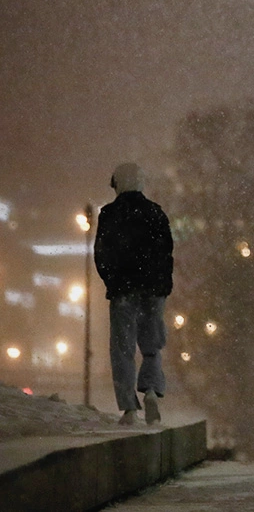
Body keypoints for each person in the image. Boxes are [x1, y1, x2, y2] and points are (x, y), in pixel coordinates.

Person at [94, 162, 174, 426]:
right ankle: (151, 390)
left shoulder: (109, 214)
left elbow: (101, 254)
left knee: (123, 349)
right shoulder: (156, 213)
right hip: (153, 290)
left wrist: (113, 280)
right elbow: (166, 254)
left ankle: (129, 408)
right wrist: (161, 286)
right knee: (152, 346)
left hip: (123, 291)